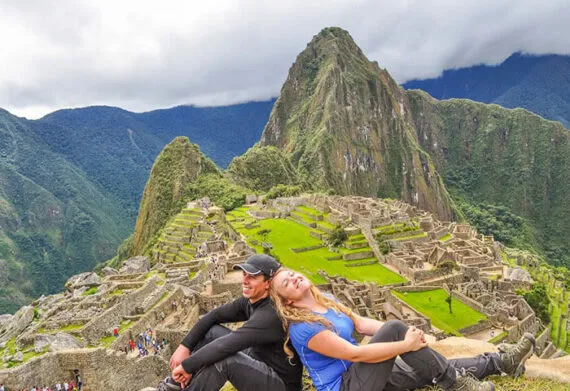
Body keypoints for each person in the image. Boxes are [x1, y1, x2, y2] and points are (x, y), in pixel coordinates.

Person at [270, 268, 536, 391]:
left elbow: (361, 324)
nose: (293, 278)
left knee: (428, 367)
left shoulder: (326, 301)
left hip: (365, 377)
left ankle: (502, 362)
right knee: (396, 327)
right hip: (347, 386)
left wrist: (410, 333)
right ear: (287, 300)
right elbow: (354, 354)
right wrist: (403, 341)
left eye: (292, 274)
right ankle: (457, 386)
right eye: (286, 282)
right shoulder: (303, 327)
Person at [158, 254, 302, 391]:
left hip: (281, 384)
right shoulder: (251, 301)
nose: (245, 280)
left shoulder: (270, 314)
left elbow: (226, 345)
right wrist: (185, 346)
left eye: (252, 276)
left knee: (226, 360)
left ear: (268, 283)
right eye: (244, 274)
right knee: (211, 332)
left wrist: (186, 366)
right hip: (260, 358)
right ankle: (176, 384)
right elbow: (214, 315)